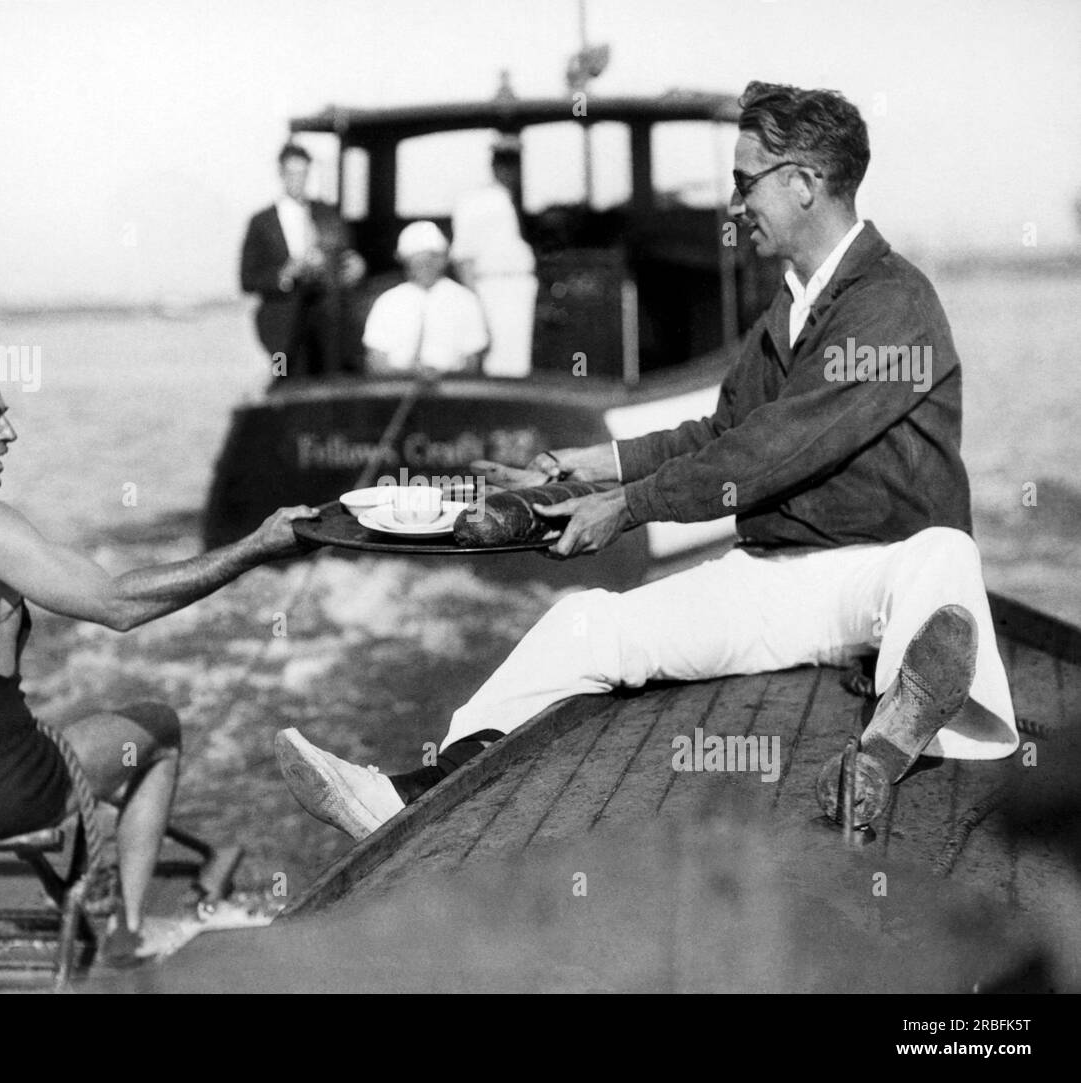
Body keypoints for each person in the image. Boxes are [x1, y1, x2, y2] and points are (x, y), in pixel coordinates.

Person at [275, 81, 1019, 841]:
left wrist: (627, 506)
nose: (734, 206)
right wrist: (577, 466)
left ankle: (881, 750)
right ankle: (406, 795)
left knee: (944, 558)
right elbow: (722, 430)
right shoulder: (787, 310)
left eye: (744, 182)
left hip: (881, 572)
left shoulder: (895, 305)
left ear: (804, 183)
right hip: (782, 576)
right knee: (588, 622)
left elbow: (773, 448)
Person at [0, 349, 318, 963]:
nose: (10, 432)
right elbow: (118, 605)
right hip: (6, 798)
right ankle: (128, 933)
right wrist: (255, 546)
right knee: (159, 727)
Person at [239, 142, 365, 379]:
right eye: (292, 173)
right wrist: (285, 274)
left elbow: (345, 254)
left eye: (303, 173)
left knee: (331, 378)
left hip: (326, 318)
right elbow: (247, 279)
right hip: (279, 326)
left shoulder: (326, 213)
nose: (298, 180)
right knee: (281, 378)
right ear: (281, 174)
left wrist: (356, 266)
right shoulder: (261, 223)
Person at [450, 136, 538, 378]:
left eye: (513, 163)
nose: (510, 170)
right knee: (500, 362)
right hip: (494, 286)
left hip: (519, 285)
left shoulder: (508, 199)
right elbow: (463, 257)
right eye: (503, 163)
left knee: (519, 361)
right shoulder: (476, 201)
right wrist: (474, 304)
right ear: (493, 165)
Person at [363, 221, 490, 377]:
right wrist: (410, 373)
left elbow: (473, 362)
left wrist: (439, 374)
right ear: (403, 260)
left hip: (451, 391)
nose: (426, 264)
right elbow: (375, 361)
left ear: (444, 258)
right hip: (397, 389)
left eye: (433, 257)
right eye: (418, 258)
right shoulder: (388, 301)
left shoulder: (465, 300)